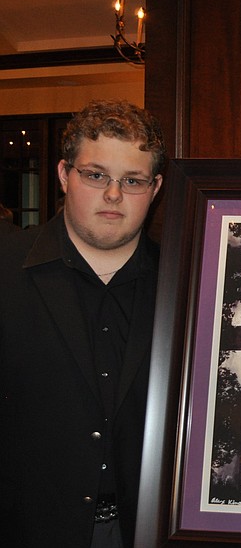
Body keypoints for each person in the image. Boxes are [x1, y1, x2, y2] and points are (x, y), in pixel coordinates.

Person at [0, 99, 167, 547]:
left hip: (146, 530)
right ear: (63, 175)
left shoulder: (187, 280)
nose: (113, 195)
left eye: (132, 180)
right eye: (96, 175)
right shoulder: (4, 272)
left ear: (155, 189)